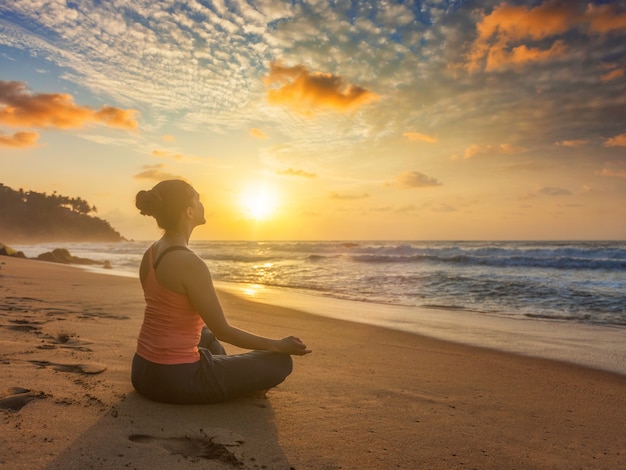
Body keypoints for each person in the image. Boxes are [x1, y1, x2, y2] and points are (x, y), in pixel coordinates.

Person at [131, 179, 310, 404]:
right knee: (280, 362)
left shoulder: (151, 253)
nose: (202, 204)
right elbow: (224, 330)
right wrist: (278, 345)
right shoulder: (189, 262)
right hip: (175, 381)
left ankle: (227, 373)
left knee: (205, 334)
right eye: (198, 199)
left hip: (142, 372)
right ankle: (229, 379)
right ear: (188, 211)